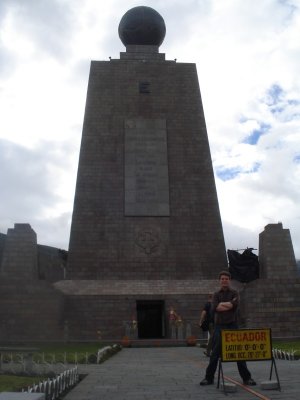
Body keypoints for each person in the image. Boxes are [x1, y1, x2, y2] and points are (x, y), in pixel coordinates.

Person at [200, 270, 256, 386]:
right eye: (222, 279)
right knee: (215, 353)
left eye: (226, 279)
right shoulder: (216, 294)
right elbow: (215, 308)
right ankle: (208, 378)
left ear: (229, 280)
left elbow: (234, 305)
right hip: (219, 326)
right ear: (220, 281)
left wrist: (223, 305)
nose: (224, 280)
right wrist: (228, 305)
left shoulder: (235, 293)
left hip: (232, 325)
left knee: (239, 352)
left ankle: (247, 378)